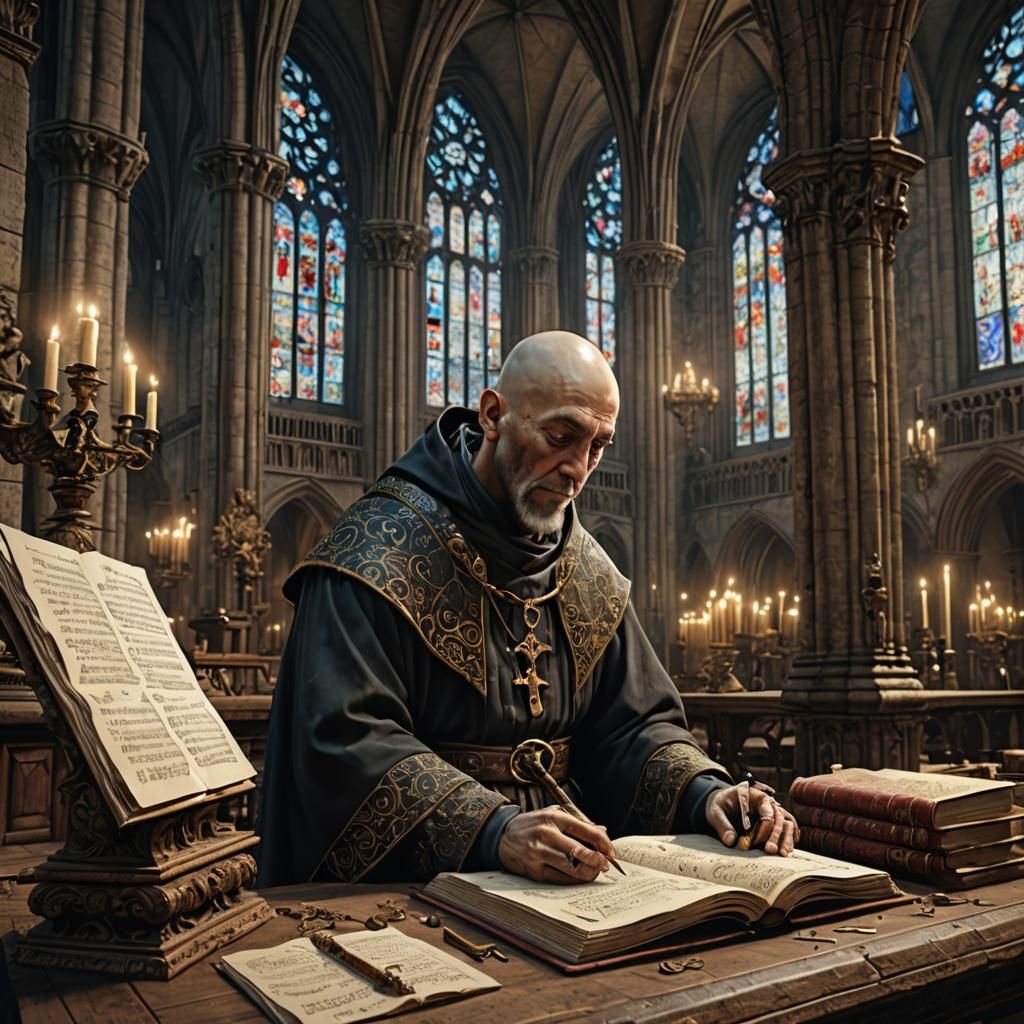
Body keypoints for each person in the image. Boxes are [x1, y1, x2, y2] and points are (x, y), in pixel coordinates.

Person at [257, 331, 799, 887]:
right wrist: (492, 831)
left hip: (574, 877)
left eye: (598, 446)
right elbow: (343, 742)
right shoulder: (375, 551)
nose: (577, 469)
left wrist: (704, 793)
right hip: (421, 887)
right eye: (561, 436)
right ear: (492, 415)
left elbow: (633, 728)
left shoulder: (586, 566)